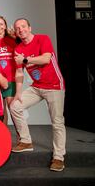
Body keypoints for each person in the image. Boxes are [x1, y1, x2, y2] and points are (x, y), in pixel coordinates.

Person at [10, 18, 66, 172]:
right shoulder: (19, 48)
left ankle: (59, 157)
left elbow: (46, 59)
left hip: (54, 86)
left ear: (29, 27)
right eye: (17, 28)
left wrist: (26, 59)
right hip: (37, 86)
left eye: (23, 26)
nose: (21, 30)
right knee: (15, 106)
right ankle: (26, 141)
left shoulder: (42, 38)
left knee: (57, 122)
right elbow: (19, 72)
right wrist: (18, 93)